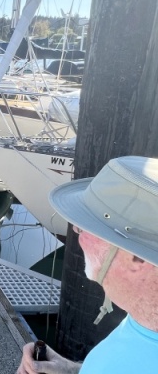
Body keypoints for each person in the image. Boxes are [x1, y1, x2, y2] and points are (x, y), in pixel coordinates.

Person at [17, 156, 158, 374]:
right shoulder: (144, 317)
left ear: (136, 259)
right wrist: (70, 369)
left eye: (87, 226)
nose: (75, 230)